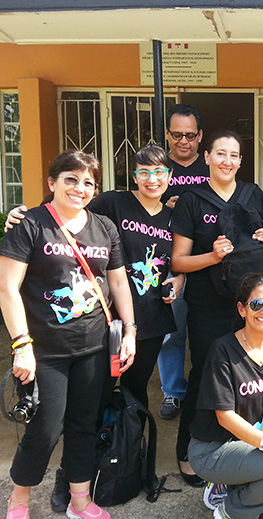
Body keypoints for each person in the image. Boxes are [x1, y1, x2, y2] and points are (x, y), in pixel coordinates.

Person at [0, 150, 136, 519]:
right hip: (45, 349)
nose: (80, 188)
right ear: (52, 183)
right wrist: (21, 346)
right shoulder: (30, 223)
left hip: (93, 346)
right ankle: (20, 499)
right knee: (45, 429)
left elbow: (119, 283)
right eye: (71, 179)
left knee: (83, 425)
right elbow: (7, 289)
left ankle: (79, 500)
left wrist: (130, 332)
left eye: (88, 182)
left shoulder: (105, 227)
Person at [4, 145, 184, 410]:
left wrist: (178, 276)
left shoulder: (174, 217)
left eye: (159, 172)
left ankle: (129, 446)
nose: (152, 180)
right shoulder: (114, 202)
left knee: (135, 390)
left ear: (169, 176)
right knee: (96, 393)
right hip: (107, 316)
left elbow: (183, 254)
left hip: (151, 317)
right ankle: (96, 443)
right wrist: (22, 216)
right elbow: (65, 209)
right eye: (144, 173)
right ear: (134, 177)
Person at [171, 129, 263, 487]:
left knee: (249, 376)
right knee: (205, 375)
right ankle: (190, 451)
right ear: (207, 158)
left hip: (248, 304)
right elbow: (179, 262)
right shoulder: (191, 200)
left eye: (234, 155)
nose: (227, 161)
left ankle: (241, 443)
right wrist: (212, 256)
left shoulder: (252, 194)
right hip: (208, 304)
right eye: (220, 154)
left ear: (241, 161)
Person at [188, 273, 263, 519]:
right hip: (213, 449)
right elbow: (224, 417)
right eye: (257, 304)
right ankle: (228, 510)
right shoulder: (223, 350)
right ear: (242, 309)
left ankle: (236, 486)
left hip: (251, 446)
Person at [159, 103, 209, 421]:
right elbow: (140, 209)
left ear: (200, 136)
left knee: (205, 331)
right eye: (177, 134)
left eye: (190, 135)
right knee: (171, 332)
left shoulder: (210, 168)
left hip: (206, 263)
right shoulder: (158, 169)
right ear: (167, 134)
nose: (184, 141)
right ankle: (173, 392)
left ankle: (206, 389)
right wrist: (167, 207)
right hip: (168, 263)